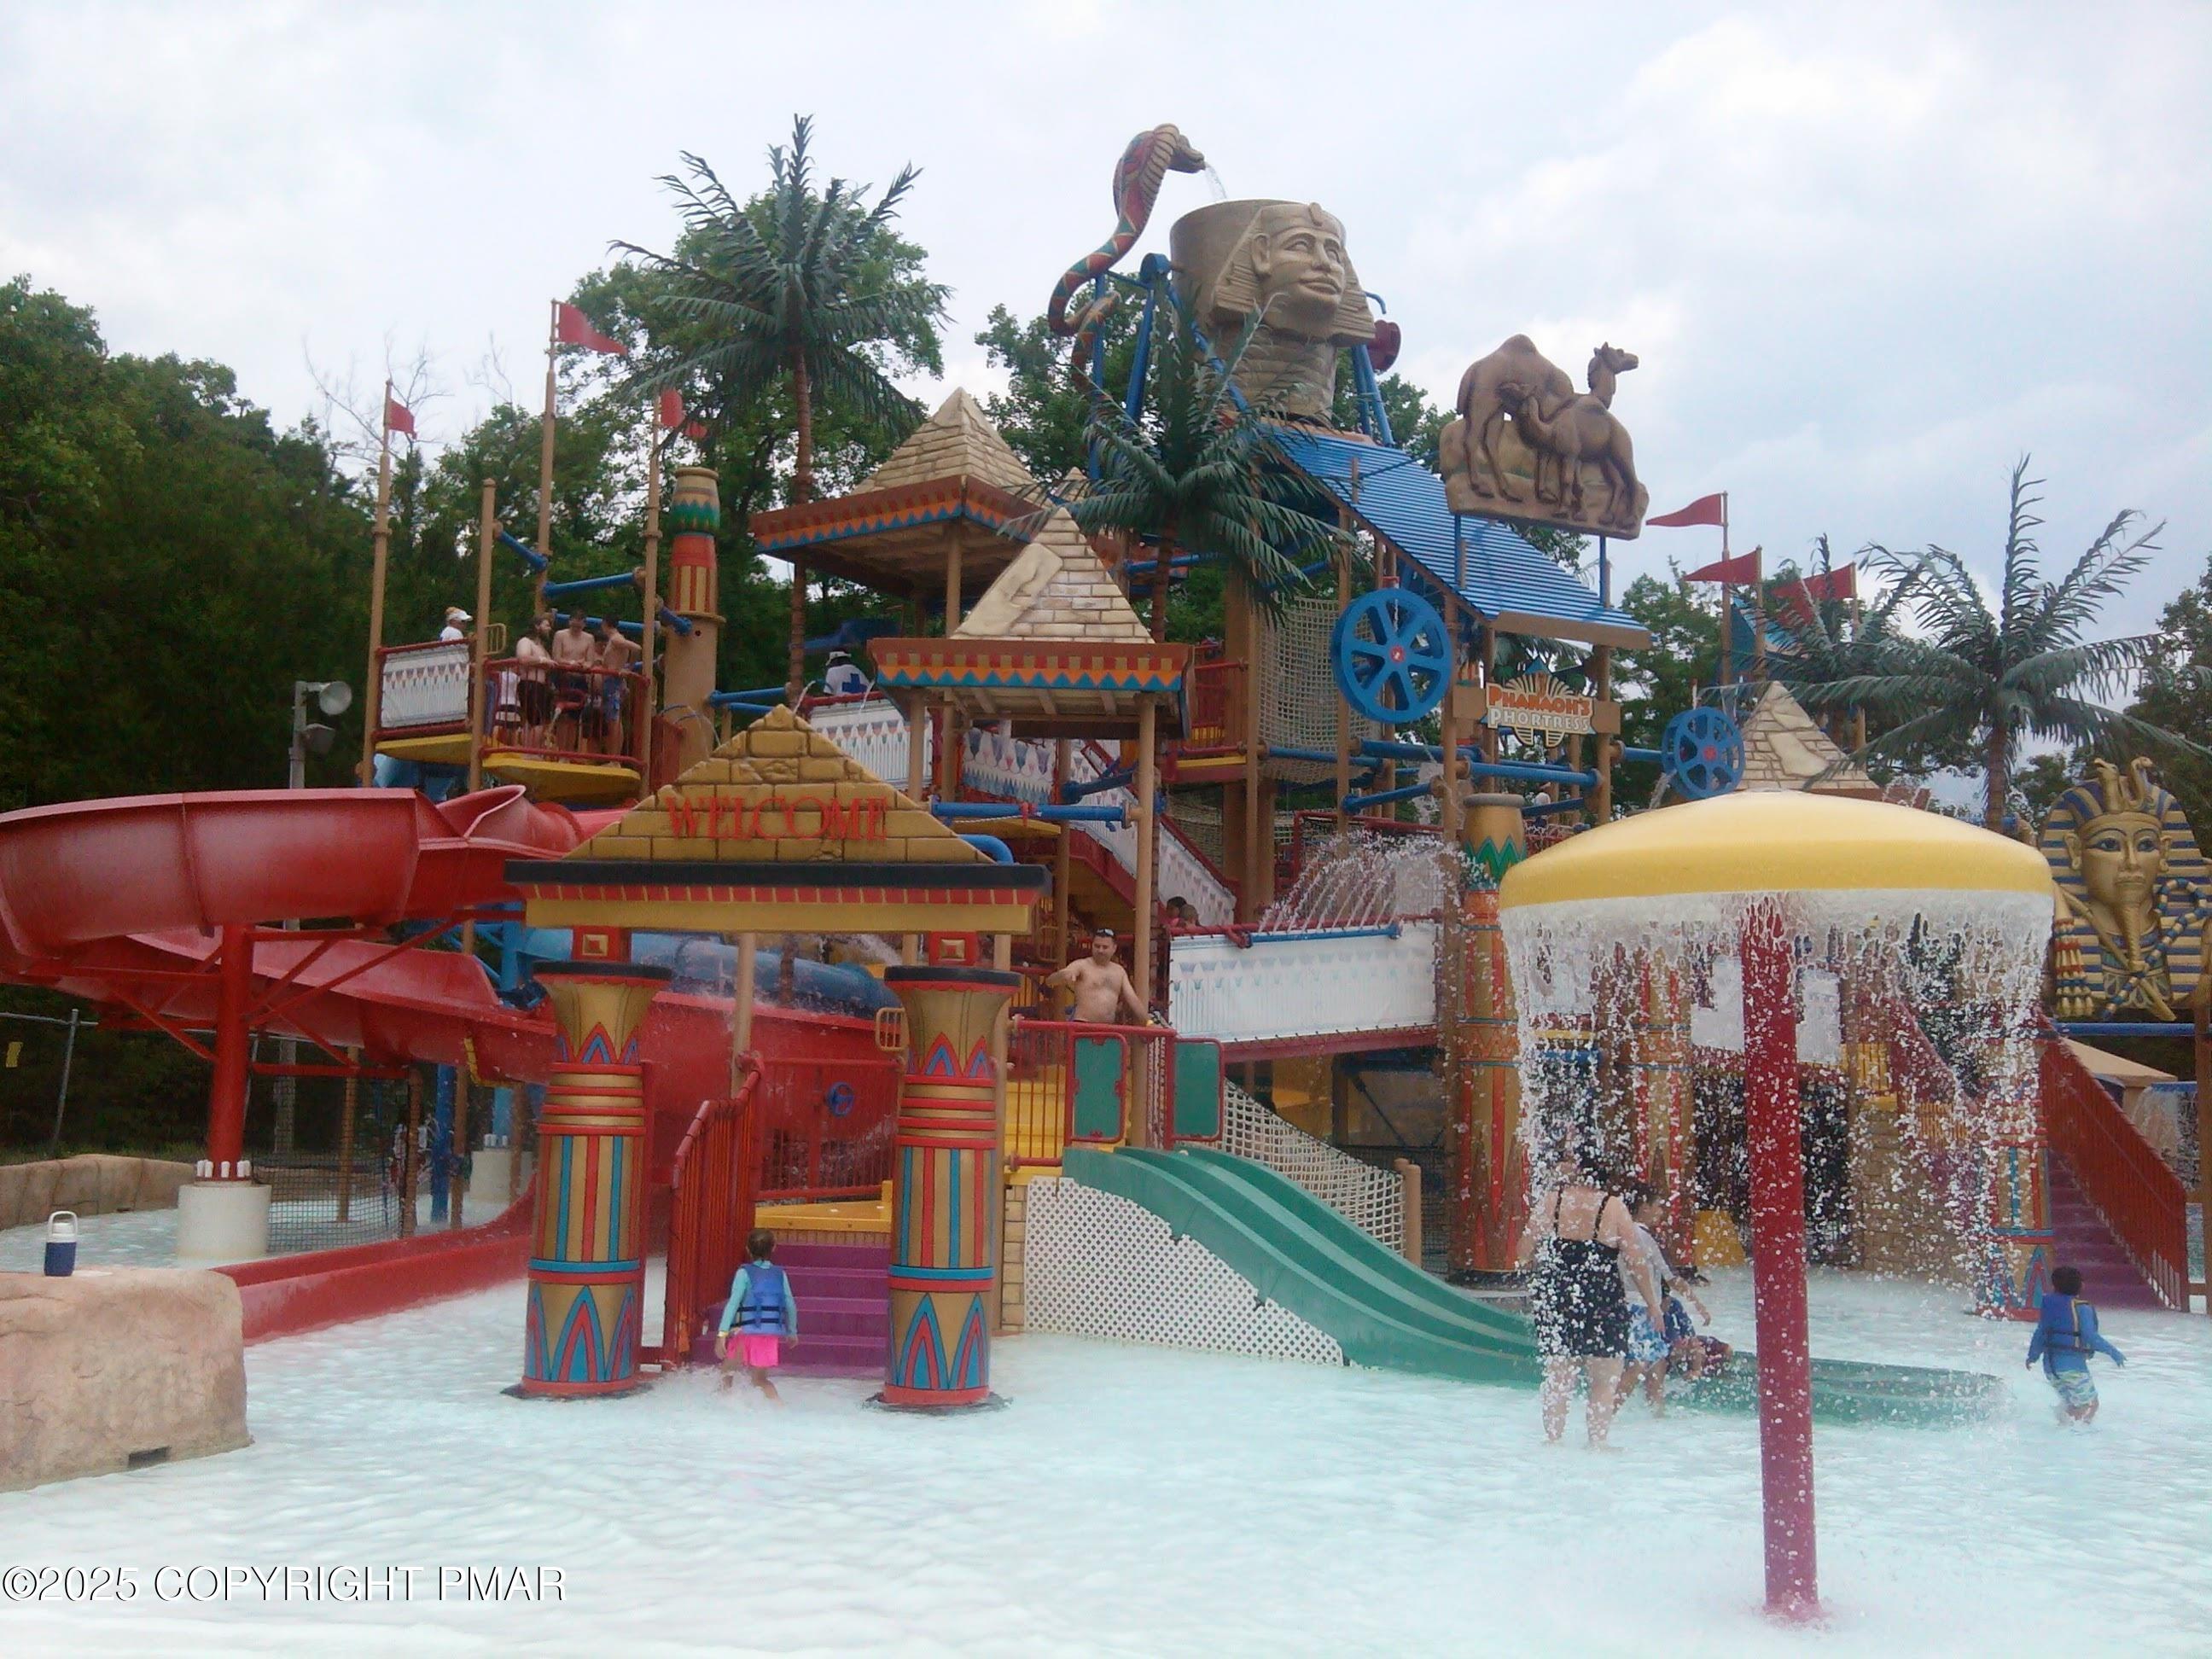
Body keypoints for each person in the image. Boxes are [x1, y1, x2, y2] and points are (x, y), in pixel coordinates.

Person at [1513, 1144, 1665, 1448]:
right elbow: (1635, 1260)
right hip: (1602, 1296)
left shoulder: (1551, 1202)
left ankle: (1552, 1440)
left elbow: (1523, 1249)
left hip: (1558, 1292)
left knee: (1559, 1373)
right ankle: (1597, 1443)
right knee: (1605, 1376)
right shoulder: (1613, 1206)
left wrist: (1532, 1274)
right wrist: (1652, 1304)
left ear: (1578, 1170)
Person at [1613, 1185, 1708, 1415]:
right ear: (1644, 1208)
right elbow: (1671, 1277)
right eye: (1658, 1206)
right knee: (1639, 1365)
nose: (1662, 1212)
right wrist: (1698, 1304)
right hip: (1641, 1309)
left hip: (1634, 1307)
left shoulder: (1623, 1233)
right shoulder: (1644, 1237)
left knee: (1658, 1360)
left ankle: (1656, 1413)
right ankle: (1607, 1414)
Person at [2027, 1264, 2126, 1423]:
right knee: (2090, 1405)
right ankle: (2077, 1436)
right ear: (2081, 1285)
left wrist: (2032, 1356)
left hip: (2051, 1368)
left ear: (2054, 1286)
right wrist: (2113, 1352)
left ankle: (2061, 1431)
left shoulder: (2049, 1305)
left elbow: (2040, 1333)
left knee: (2072, 1404)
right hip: (2072, 1368)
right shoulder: (2082, 1308)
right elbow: (2090, 1337)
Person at [717, 1229, 799, 1400]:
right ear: (774, 1248)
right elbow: (790, 1304)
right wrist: (792, 1332)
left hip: (747, 1332)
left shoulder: (743, 1273)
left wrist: (722, 1333)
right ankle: (779, 1410)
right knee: (760, 1380)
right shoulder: (780, 1274)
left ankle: (723, 1405)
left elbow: (733, 1303)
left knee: (727, 1372)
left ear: (748, 1249)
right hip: (770, 1334)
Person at [1045, 928, 1148, 1025]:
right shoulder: (1081, 965)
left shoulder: (1119, 971)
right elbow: (1051, 981)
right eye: (1097, 946)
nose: (1100, 950)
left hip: (1108, 1029)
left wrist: (1148, 1023)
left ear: (1114, 948)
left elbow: (1133, 999)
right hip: (1082, 1026)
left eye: (1105, 947)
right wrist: (1062, 975)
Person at [550, 613, 597, 750]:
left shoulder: (589, 638)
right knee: (563, 716)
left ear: (584, 625)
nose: (576, 628)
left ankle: (569, 751)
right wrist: (571, 663)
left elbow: (590, 661)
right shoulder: (560, 635)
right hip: (563, 678)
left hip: (579, 678)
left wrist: (584, 665)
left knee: (574, 718)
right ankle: (561, 750)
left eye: (579, 625)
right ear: (569, 622)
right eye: (574, 624)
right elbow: (557, 657)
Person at [594, 619, 637, 756]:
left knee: (614, 718)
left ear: (605, 625)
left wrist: (628, 668)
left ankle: (615, 757)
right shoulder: (615, 639)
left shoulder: (615, 640)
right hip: (611, 678)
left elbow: (636, 648)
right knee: (612, 717)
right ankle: (614, 756)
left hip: (613, 679)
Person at [514, 614, 556, 748]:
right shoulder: (526, 642)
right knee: (537, 721)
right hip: (530, 685)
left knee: (537, 721)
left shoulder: (542, 647)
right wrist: (542, 661)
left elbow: (551, 664)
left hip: (540, 686)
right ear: (537, 626)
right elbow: (523, 658)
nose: (549, 629)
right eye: (546, 625)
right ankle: (531, 752)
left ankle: (529, 750)